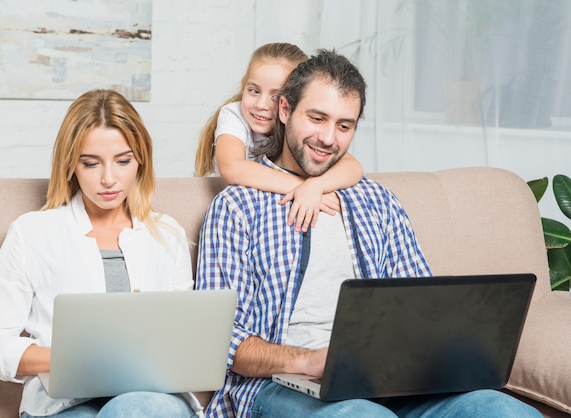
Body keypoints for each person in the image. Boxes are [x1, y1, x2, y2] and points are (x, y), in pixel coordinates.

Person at [196, 50, 542, 418]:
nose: (328, 138)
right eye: (317, 118)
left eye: (344, 126)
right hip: (281, 386)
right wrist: (310, 361)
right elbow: (221, 341)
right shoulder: (237, 206)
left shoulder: (376, 200)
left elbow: (420, 306)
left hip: (391, 383)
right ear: (285, 111)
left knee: (502, 410)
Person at [0, 89, 201, 418]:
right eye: (91, 163)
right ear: (70, 164)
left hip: (148, 399)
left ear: (141, 160)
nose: (109, 179)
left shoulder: (167, 234)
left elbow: (185, 337)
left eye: (123, 161)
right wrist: (66, 358)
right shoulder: (32, 232)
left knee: (133, 409)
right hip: (62, 404)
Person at [194, 42, 364, 232]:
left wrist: (316, 186)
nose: (261, 104)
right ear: (244, 85)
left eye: (275, 96)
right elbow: (232, 169)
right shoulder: (234, 116)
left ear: (290, 102)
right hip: (228, 205)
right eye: (254, 90)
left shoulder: (294, 125)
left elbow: (353, 166)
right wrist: (304, 188)